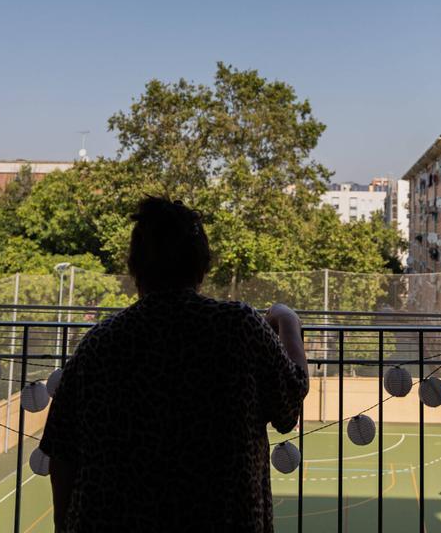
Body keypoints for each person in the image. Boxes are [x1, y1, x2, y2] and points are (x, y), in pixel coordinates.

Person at [40, 198, 310, 532]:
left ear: (136, 267)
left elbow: (61, 451)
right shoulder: (236, 327)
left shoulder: (100, 342)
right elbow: (289, 404)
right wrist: (288, 319)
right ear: (200, 266)